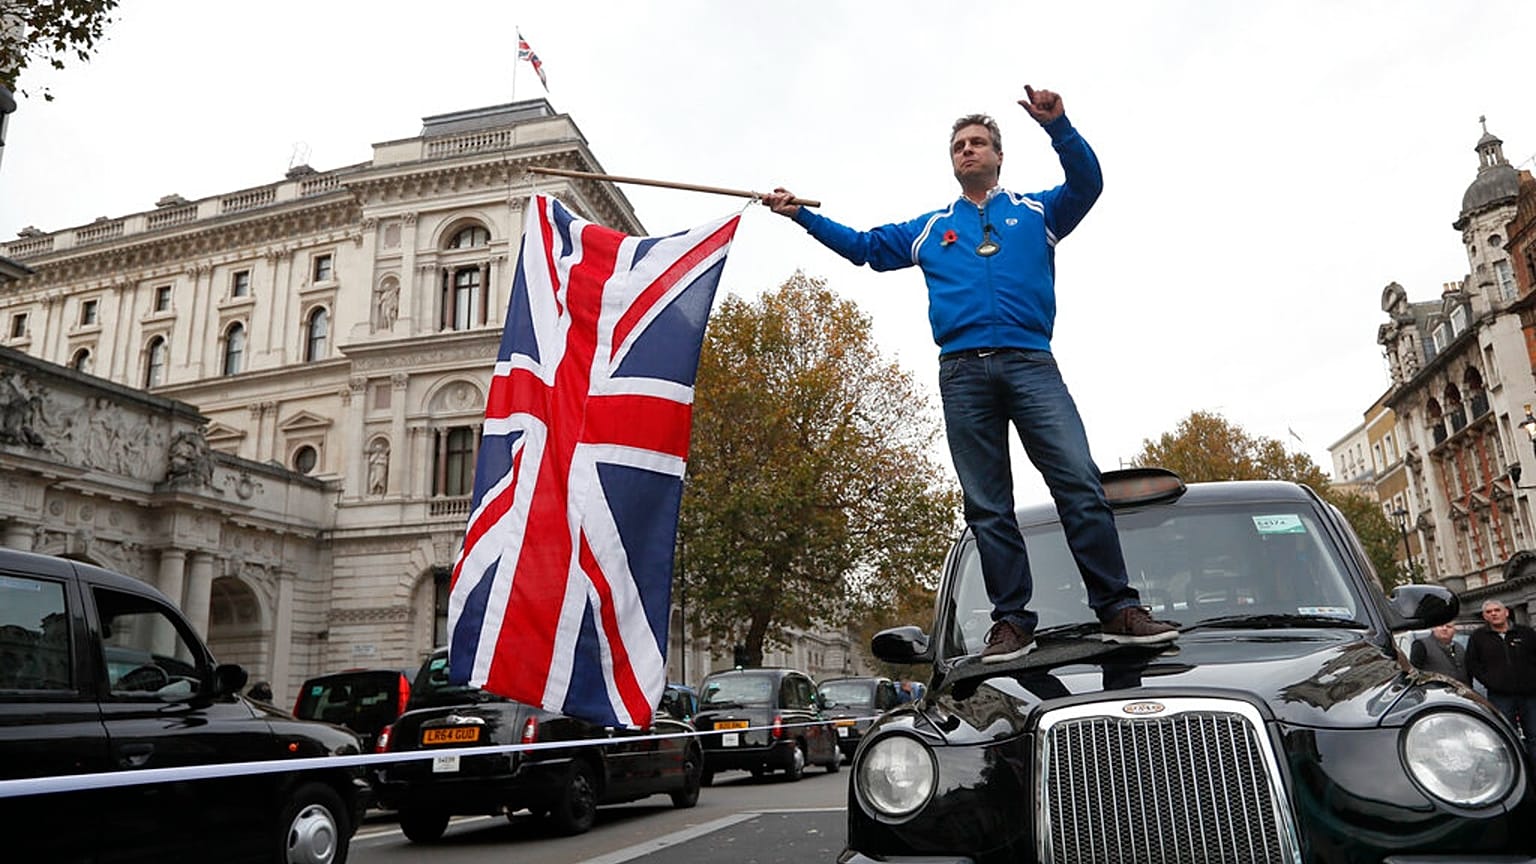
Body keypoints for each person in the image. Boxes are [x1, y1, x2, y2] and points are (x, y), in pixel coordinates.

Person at [764, 86, 1176, 663]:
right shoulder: (931, 228)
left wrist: (1059, 125)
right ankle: (1012, 621)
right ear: (952, 161)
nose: (968, 151)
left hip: (1031, 363)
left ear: (999, 156)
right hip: (962, 374)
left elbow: (1088, 184)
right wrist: (802, 216)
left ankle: (1117, 608)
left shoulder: (1037, 213)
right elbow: (862, 248)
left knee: (1079, 484)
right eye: (959, 145)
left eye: (979, 143)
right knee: (986, 505)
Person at [1465, 600, 1536, 760]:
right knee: (1506, 737)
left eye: (1497, 610)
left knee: (1534, 736)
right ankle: (1517, 773)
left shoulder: (1526, 633)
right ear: (1484, 616)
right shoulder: (1478, 637)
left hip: (1530, 695)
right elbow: (1472, 664)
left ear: (1506, 612)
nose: (1494, 614)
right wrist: (1489, 681)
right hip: (1500, 697)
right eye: (1489, 612)